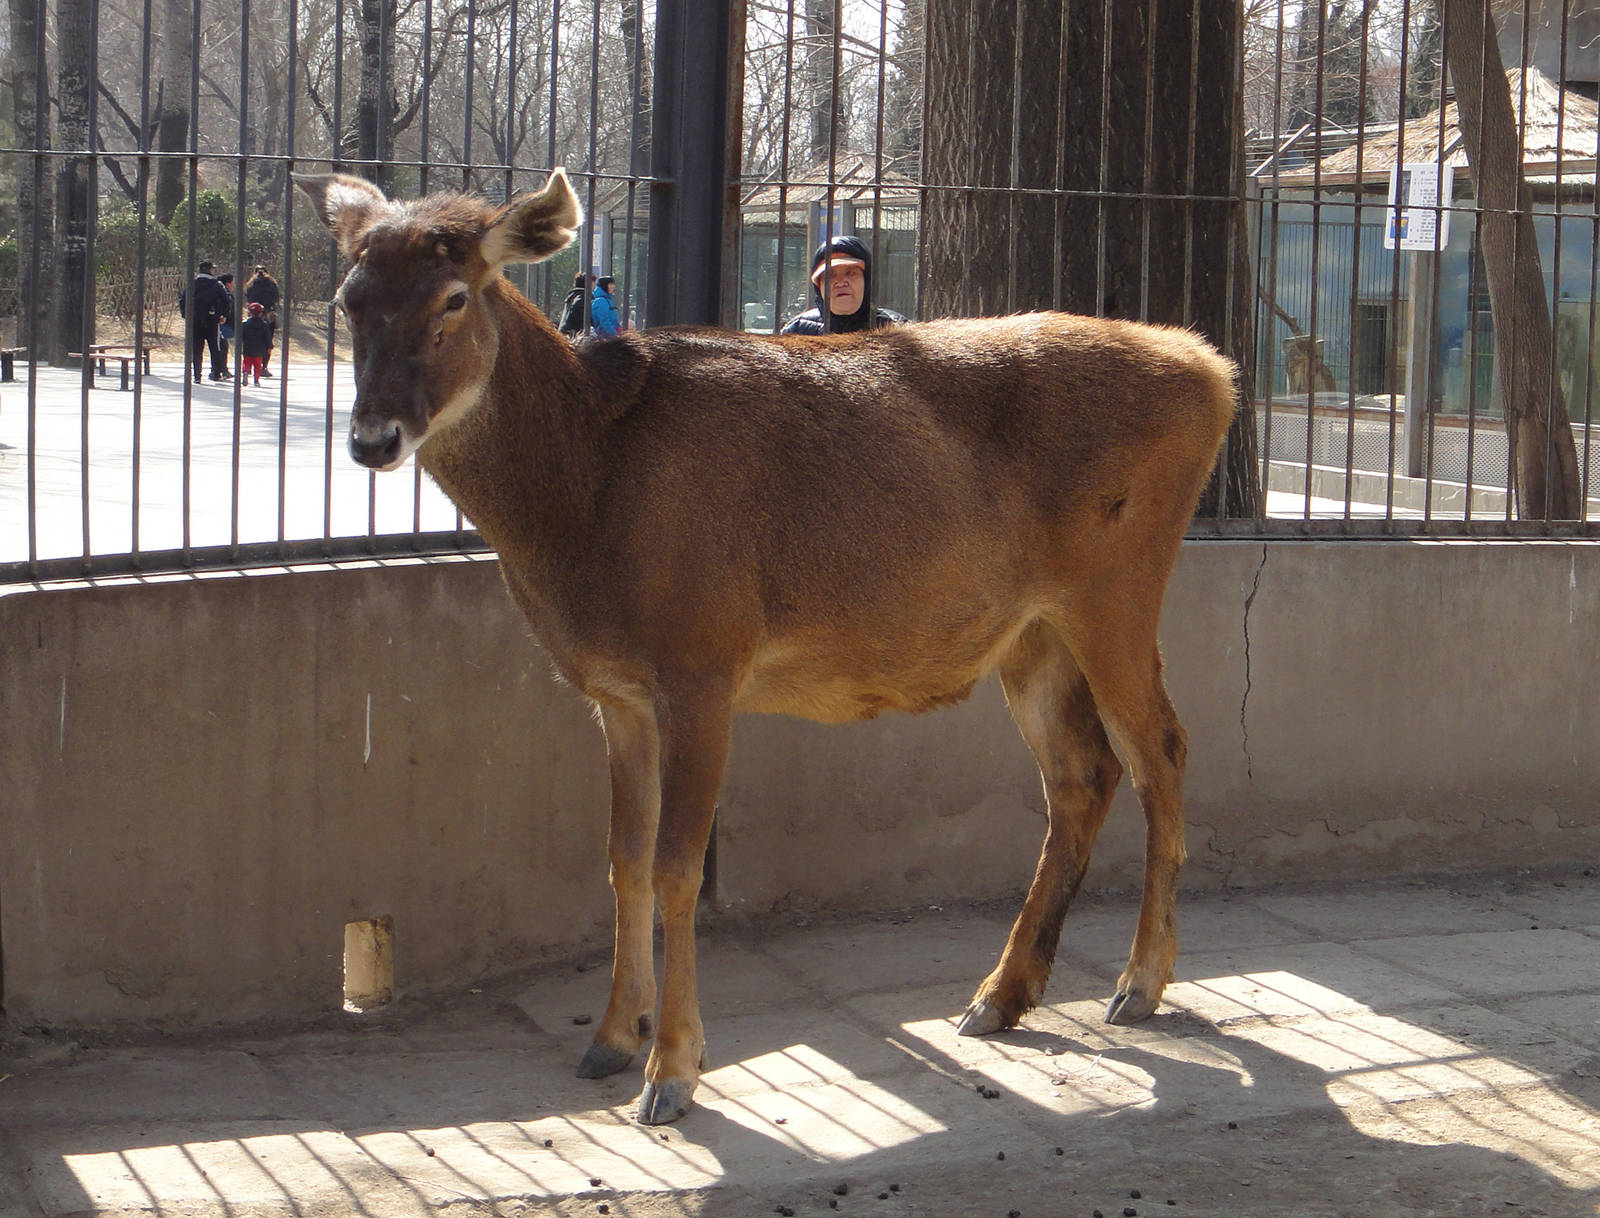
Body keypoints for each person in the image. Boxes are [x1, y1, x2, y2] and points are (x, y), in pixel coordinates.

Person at [780, 234, 904, 335]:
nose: (840, 283)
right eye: (830, 275)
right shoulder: (797, 329)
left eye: (850, 273)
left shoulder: (897, 328)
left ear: (867, 280)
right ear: (818, 286)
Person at [179, 260, 228, 384]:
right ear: (209, 270)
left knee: (197, 349)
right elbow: (226, 300)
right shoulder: (216, 284)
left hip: (195, 320)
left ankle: (197, 375)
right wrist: (223, 315)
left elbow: (183, 300)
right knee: (214, 347)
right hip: (212, 320)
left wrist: (186, 315)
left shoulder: (192, 284)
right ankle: (216, 373)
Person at [244, 265, 282, 375]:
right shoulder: (272, 284)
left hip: (254, 315)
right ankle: (263, 367)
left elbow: (248, 298)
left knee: (251, 340)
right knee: (267, 341)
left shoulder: (251, 285)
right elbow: (276, 298)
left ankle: (248, 366)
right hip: (268, 316)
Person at [239, 301, 273, 385]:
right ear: (261, 313)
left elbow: (241, 336)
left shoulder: (244, 324)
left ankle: (246, 372)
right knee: (257, 365)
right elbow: (267, 337)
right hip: (259, 349)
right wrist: (270, 346)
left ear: (249, 313)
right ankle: (256, 380)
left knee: (246, 362)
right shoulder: (264, 325)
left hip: (247, 348)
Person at [558, 271, 592, 338]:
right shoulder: (583, 295)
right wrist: (584, 325)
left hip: (565, 331)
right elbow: (576, 306)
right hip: (573, 333)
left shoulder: (572, 295)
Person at [215, 273, 236, 379]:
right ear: (227, 283)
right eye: (232, 283)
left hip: (223, 324)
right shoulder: (225, 295)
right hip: (223, 324)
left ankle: (220, 369)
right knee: (222, 348)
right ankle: (221, 369)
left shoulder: (220, 293)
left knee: (222, 348)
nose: (233, 285)